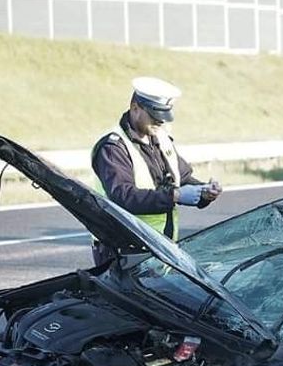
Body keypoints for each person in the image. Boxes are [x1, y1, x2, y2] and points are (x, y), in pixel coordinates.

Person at [90, 76, 221, 263]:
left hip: (159, 247)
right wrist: (174, 196)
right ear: (135, 108)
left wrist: (204, 191)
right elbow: (123, 196)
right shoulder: (113, 148)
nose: (161, 122)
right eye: (155, 115)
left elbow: (182, 178)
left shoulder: (160, 138)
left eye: (164, 116)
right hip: (124, 252)